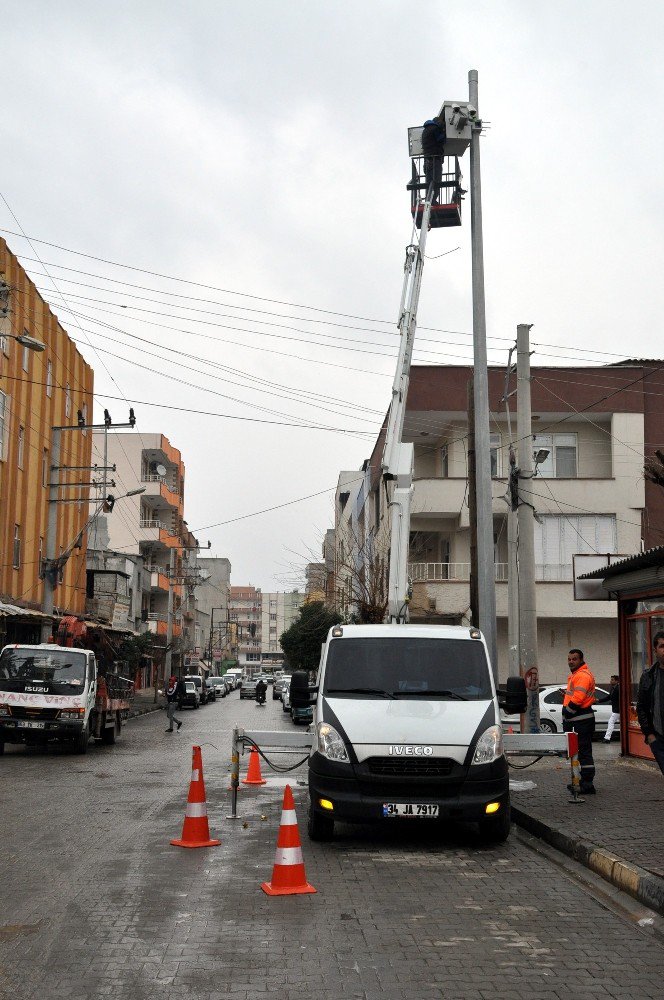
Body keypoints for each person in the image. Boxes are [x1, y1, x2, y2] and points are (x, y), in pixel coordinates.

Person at [563, 648, 596, 793]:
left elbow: (578, 699)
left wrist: (567, 712)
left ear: (581, 660)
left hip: (580, 721)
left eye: (574, 659)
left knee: (584, 753)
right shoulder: (577, 675)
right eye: (569, 659)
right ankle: (582, 782)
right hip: (579, 720)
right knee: (580, 753)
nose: (571, 661)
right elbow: (575, 695)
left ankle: (587, 785)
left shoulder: (582, 675)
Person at [636, 630, 664, 775]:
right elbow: (641, 707)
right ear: (655, 650)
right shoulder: (648, 676)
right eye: (662, 646)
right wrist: (649, 734)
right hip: (659, 738)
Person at [421, 115, 446, 204]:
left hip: (427, 160)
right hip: (435, 159)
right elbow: (440, 139)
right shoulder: (435, 128)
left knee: (429, 182)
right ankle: (433, 200)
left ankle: (429, 198)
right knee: (437, 181)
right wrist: (443, 131)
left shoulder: (425, 130)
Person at [604, 675, 620, 743]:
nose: (611, 681)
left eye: (612, 680)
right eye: (611, 679)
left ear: (617, 681)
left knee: (611, 722)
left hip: (618, 710)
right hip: (616, 710)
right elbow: (609, 697)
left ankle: (607, 738)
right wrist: (599, 700)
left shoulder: (618, 688)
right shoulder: (613, 688)